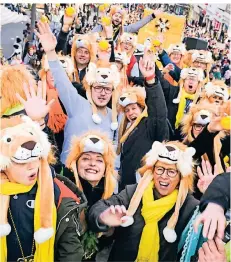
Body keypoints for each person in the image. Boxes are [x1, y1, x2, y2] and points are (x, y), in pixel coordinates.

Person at [88, 140, 199, 261]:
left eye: (171, 171)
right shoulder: (133, 193)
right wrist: (102, 217)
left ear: (180, 176)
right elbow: (98, 208)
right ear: (152, 170)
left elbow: (208, 233)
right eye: (160, 169)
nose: (164, 176)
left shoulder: (189, 206)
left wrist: (211, 198)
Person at [0, 115, 87, 261]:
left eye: (36, 158)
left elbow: (70, 250)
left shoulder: (57, 192)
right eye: (21, 162)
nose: (32, 166)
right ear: (4, 165)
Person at [35, 21, 121, 164]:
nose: (102, 93)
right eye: (98, 87)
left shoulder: (115, 119)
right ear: (90, 87)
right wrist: (50, 52)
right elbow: (62, 81)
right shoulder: (76, 104)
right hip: (68, 177)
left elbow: (115, 158)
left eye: (107, 89)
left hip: (96, 180)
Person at [116, 52, 169, 189]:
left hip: (145, 186)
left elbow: (158, 113)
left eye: (134, 108)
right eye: (127, 110)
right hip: (126, 188)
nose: (130, 113)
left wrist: (150, 80)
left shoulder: (149, 125)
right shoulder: (126, 131)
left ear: (142, 108)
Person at [64, 131, 117, 259]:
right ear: (76, 164)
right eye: (86, 158)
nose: (92, 164)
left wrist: (109, 229)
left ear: (105, 170)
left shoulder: (111, 197)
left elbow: (105, 243)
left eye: (99, 160)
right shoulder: (63, 189)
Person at [92, 5, 162, 43]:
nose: (117, 18)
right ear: (111, 16)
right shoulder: (101, 27)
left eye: (120, 17)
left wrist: (152, 16)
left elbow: (136, 26)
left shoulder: (122, 29)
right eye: (116, 16)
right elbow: (90, 37)